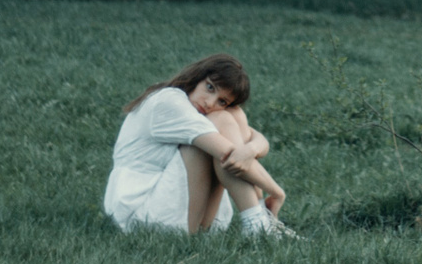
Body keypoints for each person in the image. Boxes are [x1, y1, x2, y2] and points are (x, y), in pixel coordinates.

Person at [103, 53, 289, 237]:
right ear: (197, 76)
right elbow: (230, 155)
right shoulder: (169, 101)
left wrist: (251, 149)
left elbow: (256, 140)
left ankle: (261, 218)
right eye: (210, 87)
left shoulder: (192, 109)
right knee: (218, 125)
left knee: (234, 113)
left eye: (221, 100)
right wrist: (277, 192)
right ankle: (256, 222)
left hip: (174, 207)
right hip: (140, 212)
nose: (209, 103)